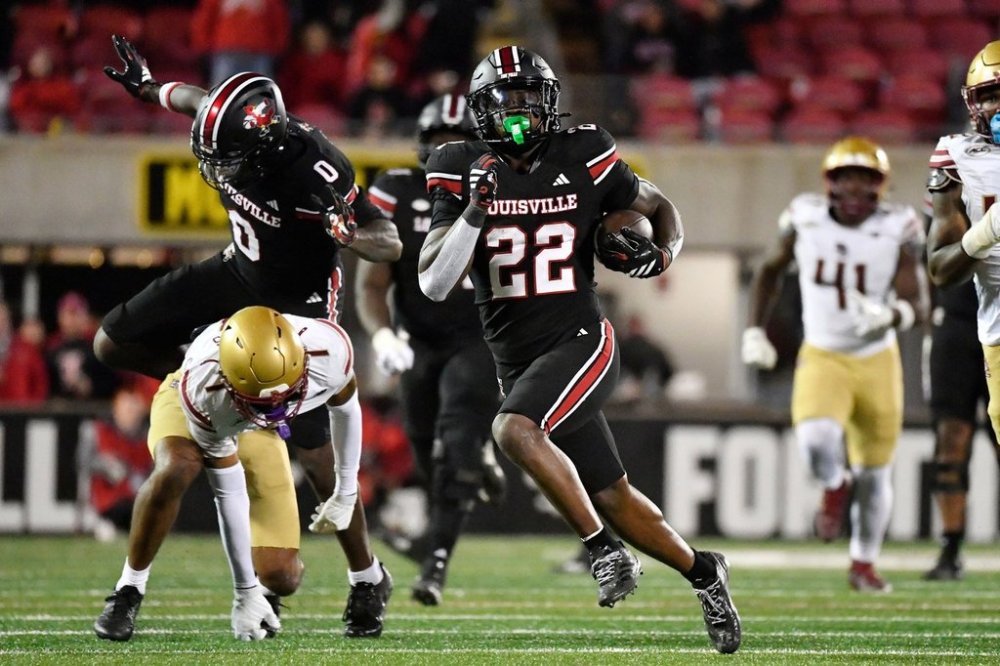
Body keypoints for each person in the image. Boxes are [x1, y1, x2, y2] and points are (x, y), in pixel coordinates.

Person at [417, 46, 740, 654]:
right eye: (506, 100)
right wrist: (474, 212)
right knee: (613, 494)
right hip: (520, 360)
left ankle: (603, 553)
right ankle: (705, 572)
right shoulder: (458, 163)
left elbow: (659, 206)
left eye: (529, 98)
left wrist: (664, 253)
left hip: (581, 341)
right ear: (481, 110)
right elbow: (434, 284)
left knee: (513, 429)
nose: (520, 112)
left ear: (550, 102)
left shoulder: (585, 151)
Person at [95, 35, 401, 518]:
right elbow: (197, 101)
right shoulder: (234, 129)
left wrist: (351, 236)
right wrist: (151, 88)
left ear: (263, 149)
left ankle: (364, 569)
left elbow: (390, 239)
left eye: (228, 160)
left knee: (313, 445)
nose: (218, 171)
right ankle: (232, 397)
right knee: (112, 341)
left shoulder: (313, 168)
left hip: (299, 302)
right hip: (238, 269)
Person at [93, 307, 392, 641]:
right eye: (264, 402)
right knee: (176, 467)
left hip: (250, 421)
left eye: (285, 396)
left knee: (282, 576)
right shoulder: (206, 389)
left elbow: (346, 409)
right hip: (201, 407)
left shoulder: (327, 349)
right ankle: (128, 590)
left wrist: (347, 489)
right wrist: (244, 590)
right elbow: (229, 490)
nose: (275, 409)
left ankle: (277, 590)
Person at [742, 136, 928, 593]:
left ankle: (863, 564)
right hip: (824, 352)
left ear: (880, 186)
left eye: (865, 180)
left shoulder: (898, 225)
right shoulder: (804, 216)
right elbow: (768, 270)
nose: (854, 191)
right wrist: (754, 330)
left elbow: (918, 300)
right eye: (846, 178)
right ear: (830, 182)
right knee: (816, 440)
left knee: (876, 471)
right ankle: (832, 482)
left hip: (877, 358)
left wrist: (892, 315)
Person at [356, 93, 505, 606]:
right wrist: (382, 333)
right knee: (424, 444)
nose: (446, 152)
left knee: (457, 444)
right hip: (418, 337)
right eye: (438, 143)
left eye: (456, 143)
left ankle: (436, 561)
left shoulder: (502, 188)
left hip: (480, 336)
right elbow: (372, 282)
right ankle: (472, 463)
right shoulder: (396, 189)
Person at [924, 39, 1000, 578]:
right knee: (953, 438)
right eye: (991, 94)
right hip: (976, 325)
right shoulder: (957, 156)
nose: (999, 106)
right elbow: (940, 267)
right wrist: (987, 232)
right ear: (971, 100)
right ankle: (951, 546)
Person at [79, 386, 153, 541]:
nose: (131, 413)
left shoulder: (148, 437)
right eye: (127, 408)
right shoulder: (99, 431)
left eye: (135, 409)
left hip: (136, 501)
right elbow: (82, 462)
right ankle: (104, 523)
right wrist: (105, 465)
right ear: (116, 408)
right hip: (107, 500)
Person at [0, 301, 49, 403]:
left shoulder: (26, 348)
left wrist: (33, 409)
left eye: (3, 319)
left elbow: (41, 383)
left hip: (23, 413)